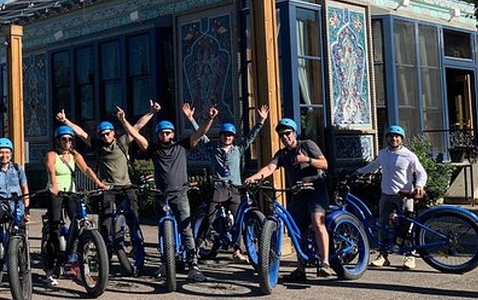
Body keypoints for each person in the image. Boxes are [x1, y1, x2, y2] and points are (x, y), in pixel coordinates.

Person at [122, 101, 211, 282]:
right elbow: (135, 134)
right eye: (162, 133)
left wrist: (209, 118)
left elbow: (200, 134)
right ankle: (165, 263)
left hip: (180, 193)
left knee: (186, 229)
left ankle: (193, 264)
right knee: (162, 229)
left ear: (173, 134)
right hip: (161, 195)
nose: (165, 135)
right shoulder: (153, 149)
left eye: (168, 132)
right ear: (158, 135)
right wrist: (123, 121)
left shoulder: (182, 146)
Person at [55, 108, 150, 274]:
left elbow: (138, 126)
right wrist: (65, 121)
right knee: (105, 220)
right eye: (102, 135)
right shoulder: (99, 146)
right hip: (108, 187)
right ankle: (105, 254)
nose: (105, 137)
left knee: (133, 217)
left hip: (126, 186)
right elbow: (82, 133)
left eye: (108, 133)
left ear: (113, 133)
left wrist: (151, 112)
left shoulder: (123, 141)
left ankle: (137, 248)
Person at [245, 118, 331, 281]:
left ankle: (325, 262)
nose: (285, 137)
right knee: (295, 230)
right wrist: (254, 177)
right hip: (298, 194)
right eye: (281, 135)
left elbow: (325, 164)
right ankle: (300, 268)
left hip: (315, 191)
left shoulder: (307, 145)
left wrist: (307, 160)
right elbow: (270, 167)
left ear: (294, 133)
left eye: (287, 133)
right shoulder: (282, 154)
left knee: (317, 221)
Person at [191, 103, 269, 261]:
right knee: (209, 218)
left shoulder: (238, 149)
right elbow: (200, 134)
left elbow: (250, 137)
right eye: (225, 135)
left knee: (239, 219)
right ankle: (194, 248)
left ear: (233, 137)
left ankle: (237, 250)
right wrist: (191, 118)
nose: (227, 137)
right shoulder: (212, 148)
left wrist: (260, 122)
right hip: (218, 188)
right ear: (221, 136)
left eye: (230, 135)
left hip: (234, 189)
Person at [351, 125, 427, 269]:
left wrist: (419, 186)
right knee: (383, 225)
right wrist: (358, 172)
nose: (394, 139)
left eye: (397, 136)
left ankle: (410, 256)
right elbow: (374, 165)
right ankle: (383, 255)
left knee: (407, 226)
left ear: (401, 139)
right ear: (386, 138)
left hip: (404, 196)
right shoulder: (383, 153)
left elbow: (422, 172)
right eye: (391, 136)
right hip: (386, 194)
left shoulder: (409, 155)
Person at [43, 125, 107, 287]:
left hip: (71, 193)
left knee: (79, 225)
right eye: (64, 139)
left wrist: (98, 183)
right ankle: (51, 270)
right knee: (55, 229)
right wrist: (54, 186)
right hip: (56, 193)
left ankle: (78, 265)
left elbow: (85, 168)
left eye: (70, 139)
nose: (67, 142)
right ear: (58, 140)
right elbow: (51, 169)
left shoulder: (74, 155)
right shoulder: (52, 155)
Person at [0, 137, 30, 283]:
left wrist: (27, 208)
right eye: (1, 152)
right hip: (1, 204)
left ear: (11, 153)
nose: (4, 155)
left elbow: (25, 188)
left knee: (20, 231)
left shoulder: (17, 169)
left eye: (7, 152)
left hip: (17, 205)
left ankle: (22, 262)